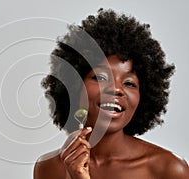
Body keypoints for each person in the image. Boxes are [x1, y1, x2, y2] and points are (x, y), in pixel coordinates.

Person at [33, 8, 189, 179]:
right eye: (100, 78)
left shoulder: (169, 169)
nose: (116, 89)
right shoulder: (49, 168)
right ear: (74, 87)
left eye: (129, 83)